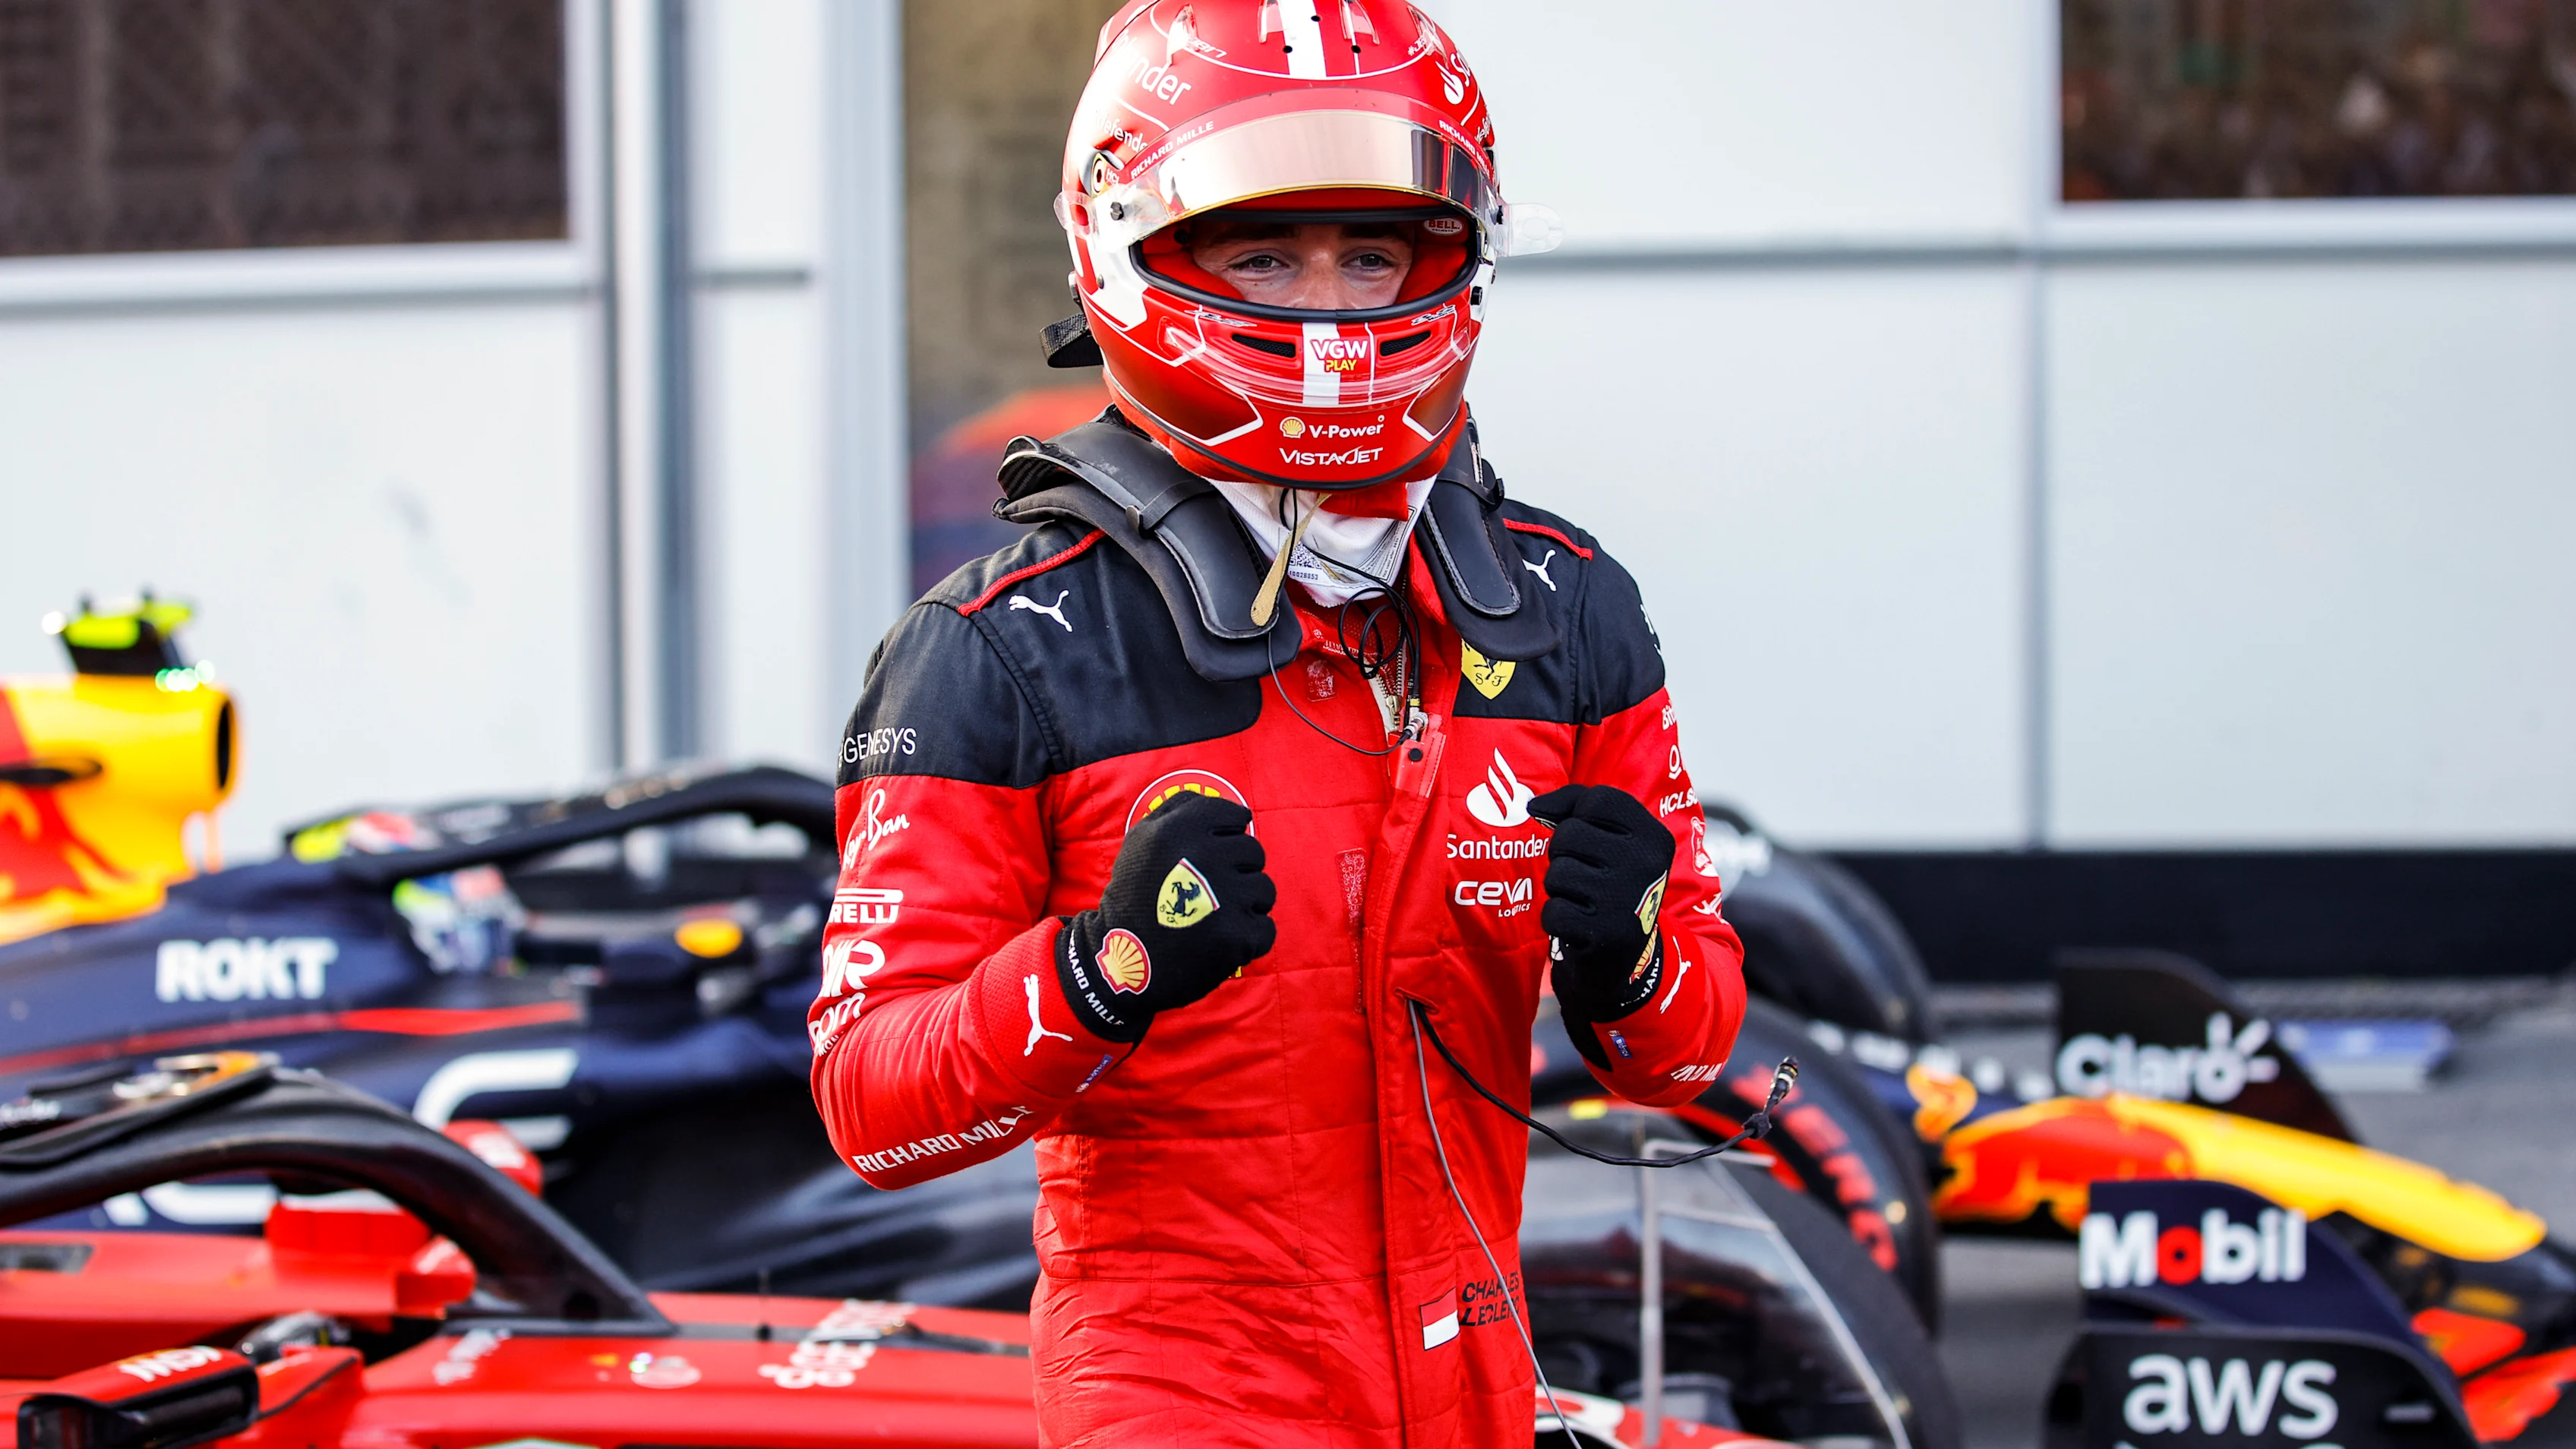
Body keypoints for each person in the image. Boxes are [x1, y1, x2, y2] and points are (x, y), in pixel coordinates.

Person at [810, 4, 1746, 1444]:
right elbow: (871, 1105)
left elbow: (1690, 1065)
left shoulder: (1565, 607)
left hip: (1476, 1387)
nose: (1326, 305)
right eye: (1262, 253)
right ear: (1133, 248)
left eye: (1371, 253)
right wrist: (1102, 972)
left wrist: (1626, 961)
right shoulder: (994, 652)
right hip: (1182, 1399)